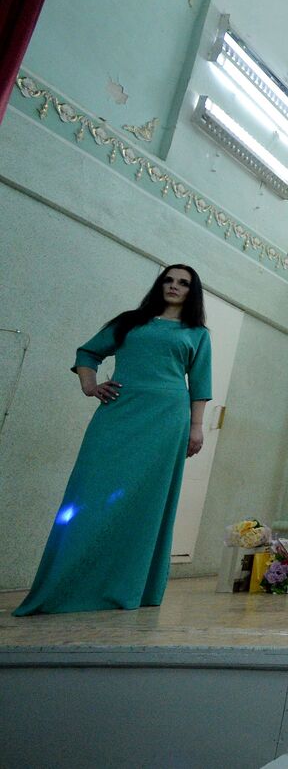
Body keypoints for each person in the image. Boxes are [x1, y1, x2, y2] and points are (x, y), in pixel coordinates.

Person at [15, 264, 211, 616]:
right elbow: (87, 353)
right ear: (159, 284)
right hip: (119, 414)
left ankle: (130, 584)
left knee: (145, 501)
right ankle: (67, 583)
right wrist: (89, 386)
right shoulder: (130, 321)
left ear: (191, 292)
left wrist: (197, 428)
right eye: (168, 280)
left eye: (183, 283)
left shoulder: (197, 333)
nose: (174, 286)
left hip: (168, 419)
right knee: (91, 490)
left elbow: (200, 384)